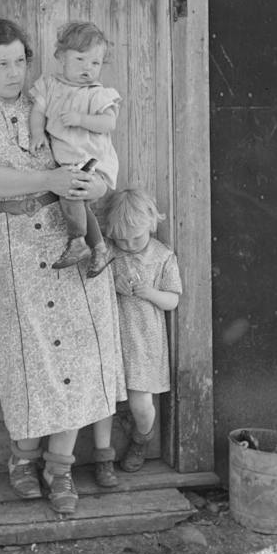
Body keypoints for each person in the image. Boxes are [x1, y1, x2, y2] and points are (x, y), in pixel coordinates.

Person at [0, 19, 127, 514]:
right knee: (27, 360)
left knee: (78, 357)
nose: (14, 72)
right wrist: (47, 177)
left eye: (20, 61)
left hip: (71, 242)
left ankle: (60, 468)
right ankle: (23, 460)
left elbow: (96, 155)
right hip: (15, 254)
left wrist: (97, 185)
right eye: (1, 63)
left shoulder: (49, 100)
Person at [29, 21, 121, 278]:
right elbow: (37, 111)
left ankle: (78, 242)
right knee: (76, 200)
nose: (87, 68)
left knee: (70, 193)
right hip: (70, 162)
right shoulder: (49, 85)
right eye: (80, 59)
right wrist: (37, 133)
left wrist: (81, 119)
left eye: (95, 63)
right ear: (61, 57)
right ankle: (99, 249)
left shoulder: (97, 94)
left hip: (92, 159)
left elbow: (108, 123)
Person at [102, 188, 182, 473]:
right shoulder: (110, 252)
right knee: (107, 401)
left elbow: (172, 300)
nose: (128, 244)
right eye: (121, 239)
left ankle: (141, 439)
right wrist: (113, 284)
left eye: (136, 238)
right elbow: (92, 282)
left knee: (141, 404)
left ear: (150, 223)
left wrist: (150, 293)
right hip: (111, 339)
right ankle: (103, 455)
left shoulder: (162, 256)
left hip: (143, 342)